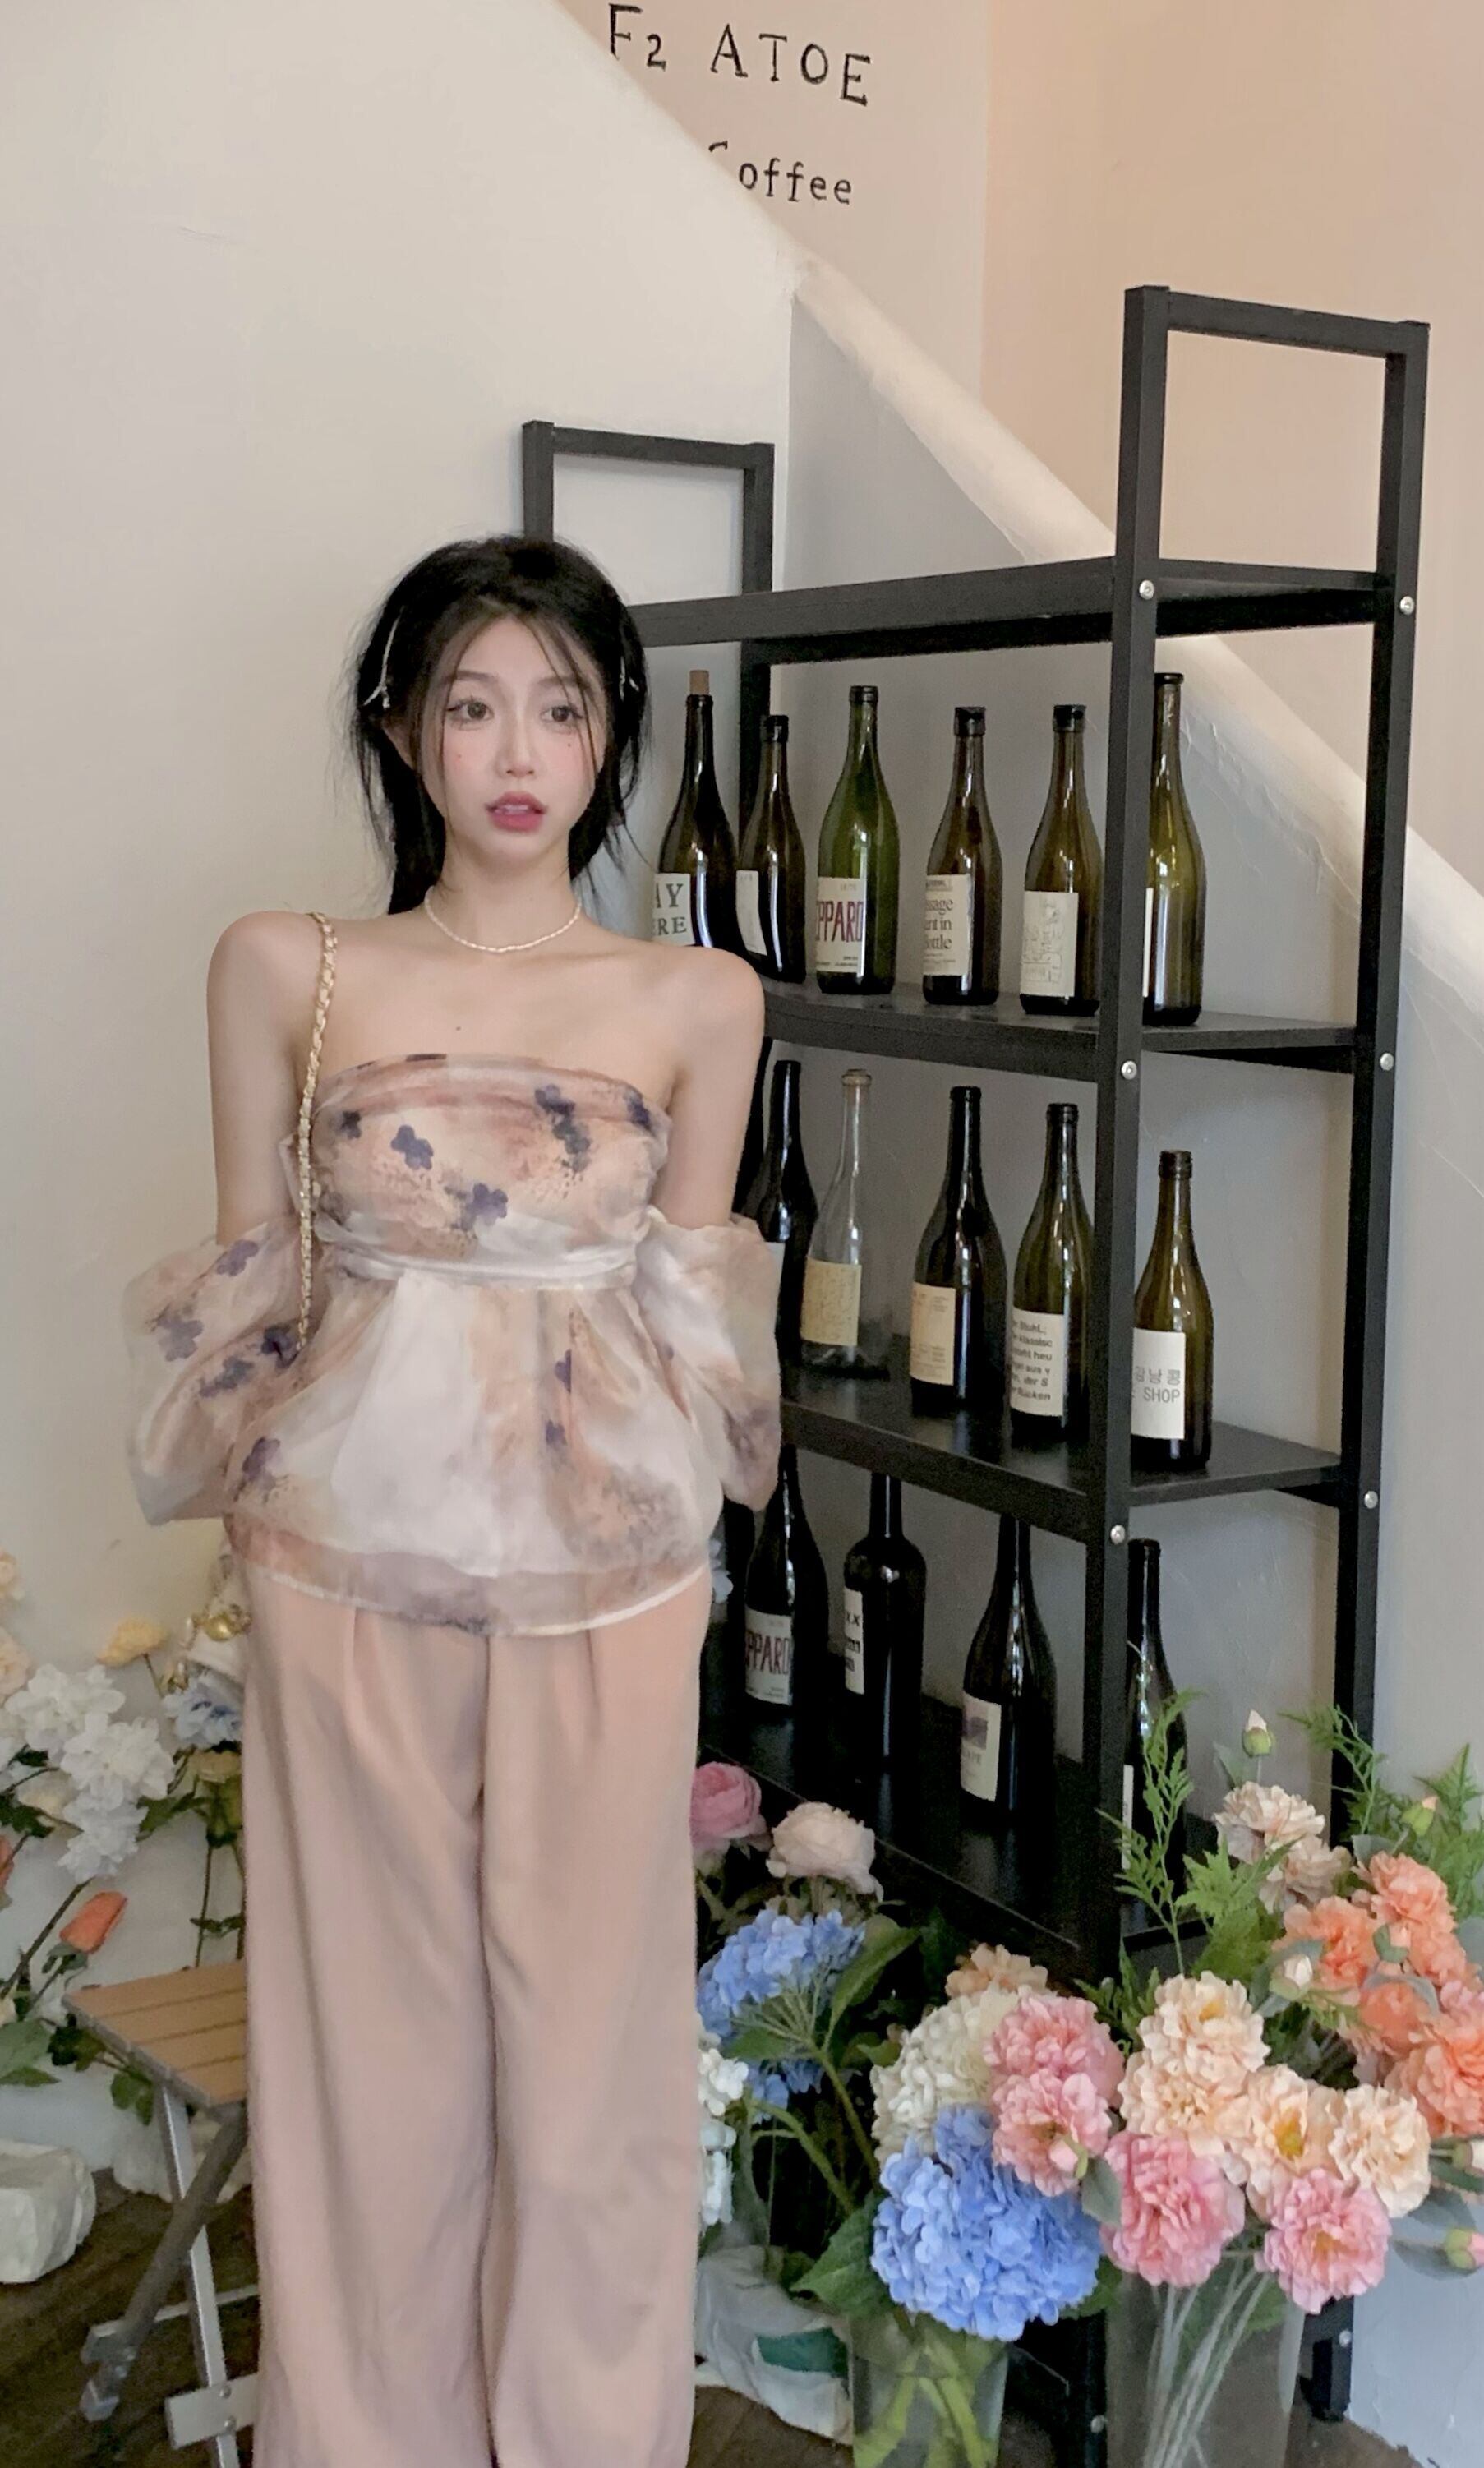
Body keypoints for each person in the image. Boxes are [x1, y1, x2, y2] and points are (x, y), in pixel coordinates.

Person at [119, 535, 783, 2468]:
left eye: (561, 708)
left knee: (593, 2059)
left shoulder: (697, 996)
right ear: (402, 730)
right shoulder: (289, 966)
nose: (516, 750)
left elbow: (698, 1315)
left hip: (613, 1581)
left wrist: (685, 1549)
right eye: (473, 704)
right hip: (345, 1566)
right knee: (371, 2052)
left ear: (610, 739)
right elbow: (253, 1292)